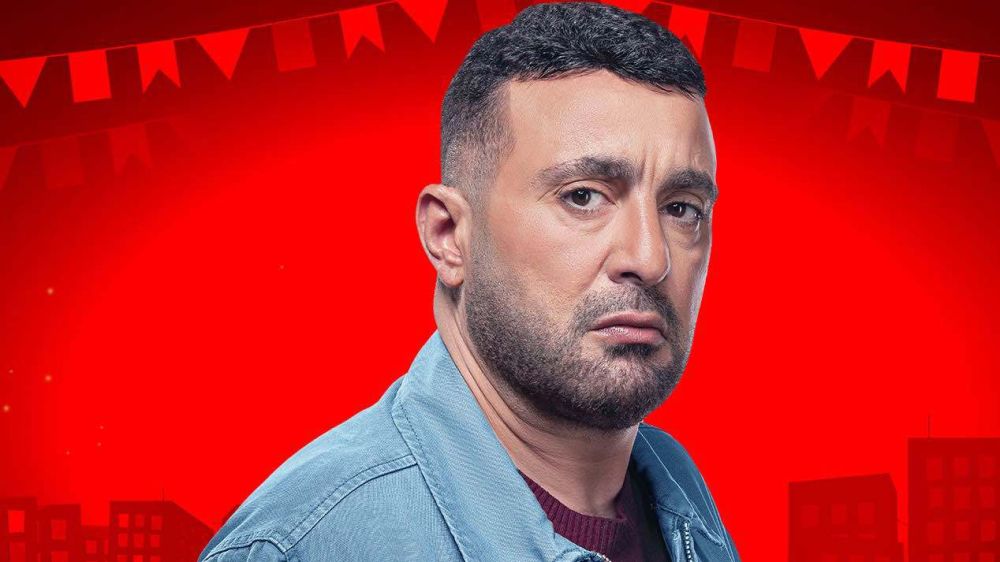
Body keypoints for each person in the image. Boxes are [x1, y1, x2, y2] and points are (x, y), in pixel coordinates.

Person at [198, 2, 739, 560]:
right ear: (449, 235)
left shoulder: (680, 498)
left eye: (682, 208)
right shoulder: (308, 545)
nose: (650, 259)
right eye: (583, 196)